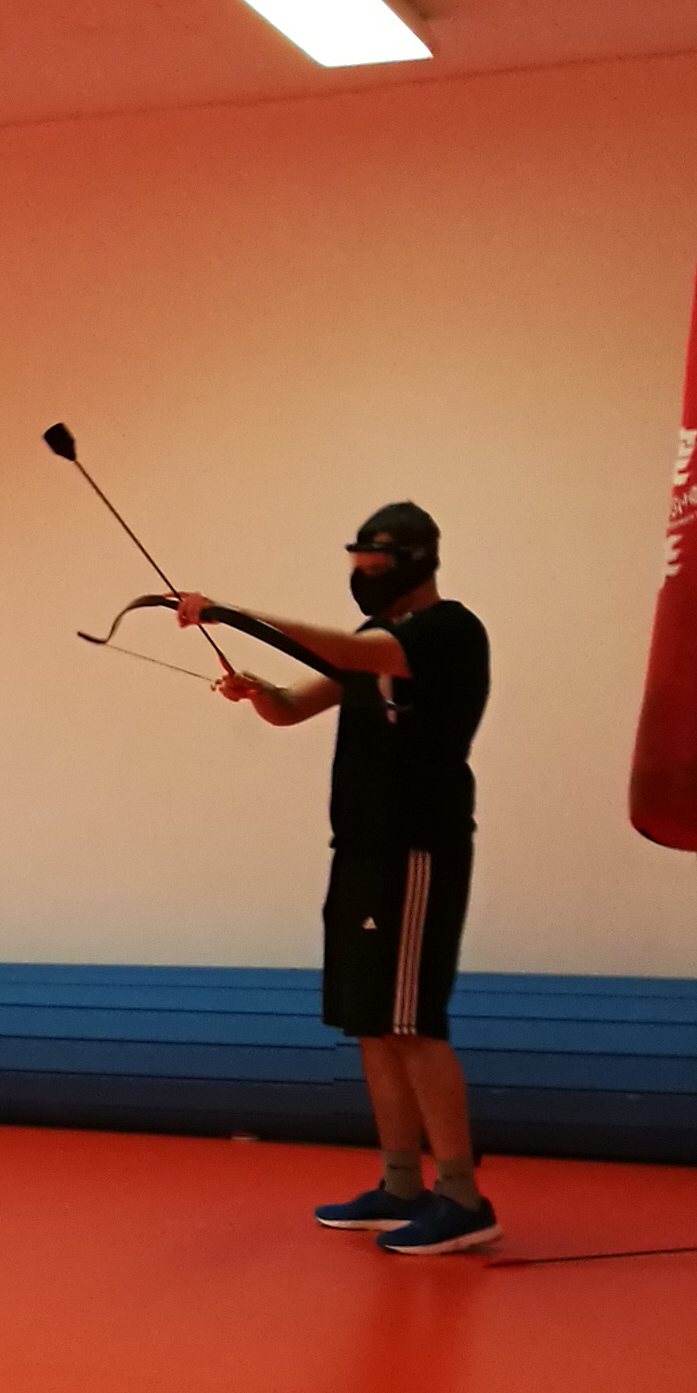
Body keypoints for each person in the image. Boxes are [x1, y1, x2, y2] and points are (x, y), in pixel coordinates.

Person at [178, 503, 496, 1253]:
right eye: (357, 564)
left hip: (416, 850)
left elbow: (349, 652)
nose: (364, 577)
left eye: (376, 565)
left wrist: (227, 612)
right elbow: (293, 707)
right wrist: (260, 692)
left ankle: (462, 1197)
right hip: (359, 849)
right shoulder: (370, 644)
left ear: (416, 562)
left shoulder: (447, 632)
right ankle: (400, 1185)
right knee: (371, 1024)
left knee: (412, 1024)